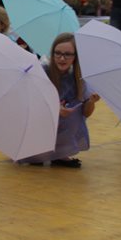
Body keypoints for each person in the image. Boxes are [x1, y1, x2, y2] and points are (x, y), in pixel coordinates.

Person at [20, 34, 99, 168]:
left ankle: (60, 152)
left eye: (67, 54)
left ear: (75, 57)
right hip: (39, 122)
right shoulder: (42, 72)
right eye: (58, 53)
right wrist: (55, 108)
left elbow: (86, 114)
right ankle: (37, 151)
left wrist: (91, 101)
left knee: (76, 111)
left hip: (61, 123)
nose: (62, 58)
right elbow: (29, 104)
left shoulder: (78, 79)